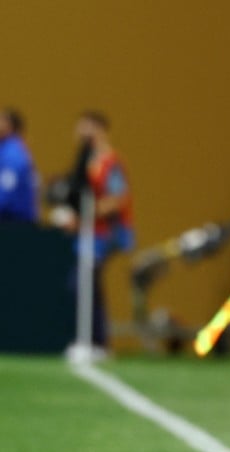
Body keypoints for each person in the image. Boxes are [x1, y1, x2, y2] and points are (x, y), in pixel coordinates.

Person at [66, 111, 134, 349]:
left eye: (87, 129)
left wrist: (88, 213)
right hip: (91, 232)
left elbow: (117, 199)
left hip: (107, 233)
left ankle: (97, 341)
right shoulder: (86, 161)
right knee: (86, 284)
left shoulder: (109, 162)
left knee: (84, 283)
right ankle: (95, 341)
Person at [0, 107, 37, 223]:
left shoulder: (13, 152)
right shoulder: (5, 149)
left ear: (9, 126)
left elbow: (7, 190)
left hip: (14, 221)